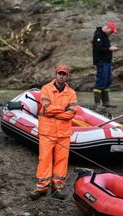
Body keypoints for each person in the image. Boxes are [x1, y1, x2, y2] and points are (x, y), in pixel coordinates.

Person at [29, 64, 77, 200]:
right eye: (59, 73)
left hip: (63, 134)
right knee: (44, 159)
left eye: (64, 74)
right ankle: (41, 187)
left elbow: (72, 113)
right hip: (47, 132)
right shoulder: (46, 89)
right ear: (55, 74)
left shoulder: (71, 93)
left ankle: (58, 187)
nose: (61, 76)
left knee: (62, 160)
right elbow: (46, 108)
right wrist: (63, 109)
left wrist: (55, 112)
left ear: (67, 76)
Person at [92, 20, 119, 107]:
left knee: (107, 81)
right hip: (101, 62)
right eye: (111, 31)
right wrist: (110, 49)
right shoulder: (98, 35)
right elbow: (98, 49)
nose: (111, 33)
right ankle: (97, 104)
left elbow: (104, 48)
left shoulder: (105, 36)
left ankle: (106, 103)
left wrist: (109, 49)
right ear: (107, 28)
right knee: (101, 81)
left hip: (107, 62)